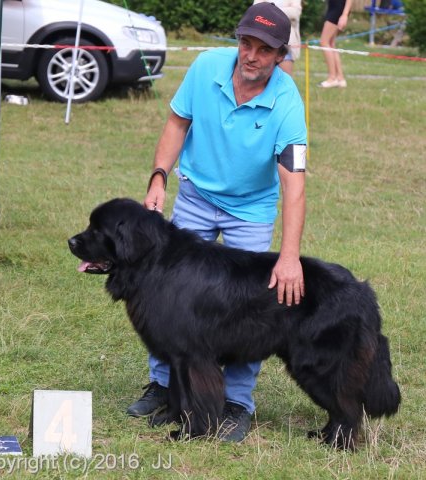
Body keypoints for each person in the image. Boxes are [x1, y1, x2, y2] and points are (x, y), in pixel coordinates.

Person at [127, 2, 307, 443]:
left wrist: (288, 258)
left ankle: (237, 402)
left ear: (281, 55)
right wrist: (158, 177)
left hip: (251, 209)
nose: (251, 55)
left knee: (249, 307)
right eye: (246, 43)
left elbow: (294, 184)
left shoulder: (287, 102)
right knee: (167, 294)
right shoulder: (206, 67)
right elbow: (176, 123)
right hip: (196, 196)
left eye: (264, 50)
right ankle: (166, 386)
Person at [253, 0, 302, 75]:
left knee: (284, 80)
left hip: (285, 43)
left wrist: (269, 10)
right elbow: (255, 10)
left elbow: (295, 13)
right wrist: (283, 10)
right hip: (263, 39)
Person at [319, 0, 352, 88]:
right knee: (331, 43)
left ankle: (332, 78)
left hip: (339, 7)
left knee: (324, 42)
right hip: (334, 6)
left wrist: (345, 15)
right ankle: (340, 78)